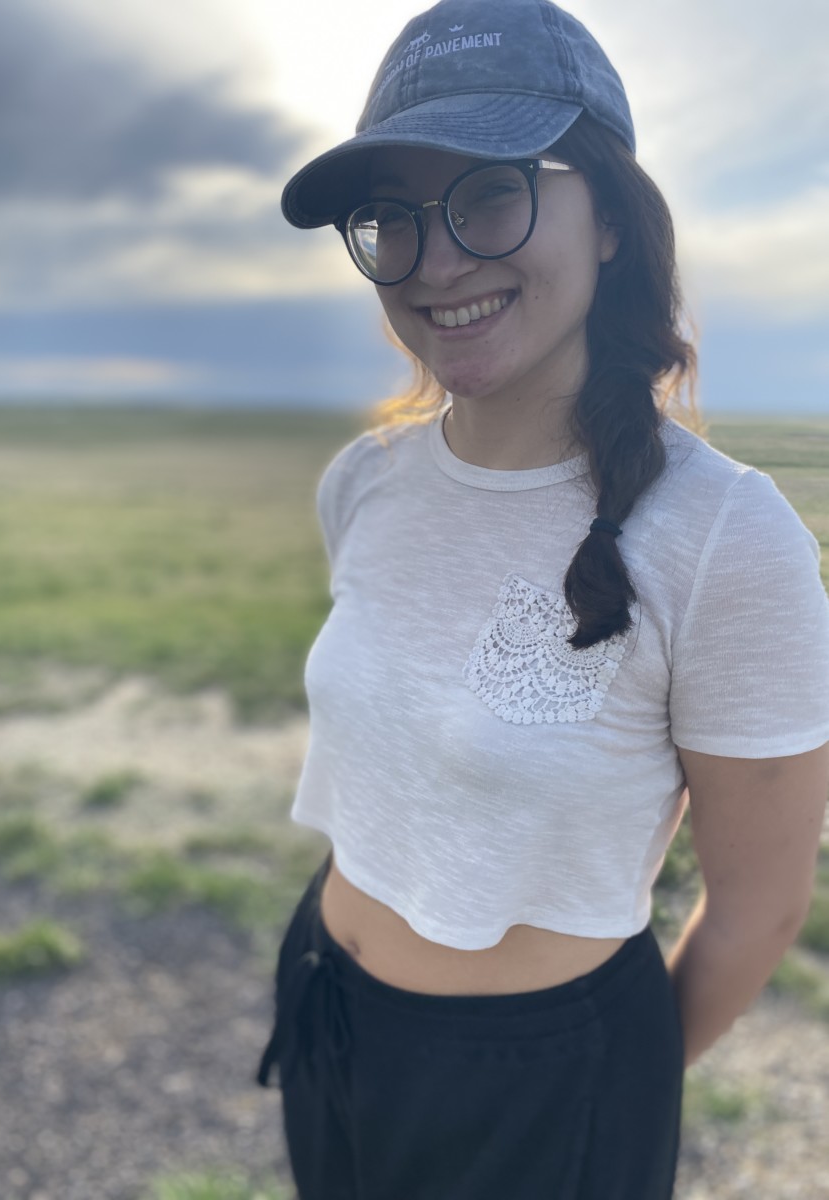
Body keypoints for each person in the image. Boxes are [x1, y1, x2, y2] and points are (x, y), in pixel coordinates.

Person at [254, 1, 829, 1197]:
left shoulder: (726, 536)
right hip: (328, 1003)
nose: (438, 260)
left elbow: (762, 906)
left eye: (491, 194)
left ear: (611, 216)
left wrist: (604, 1100)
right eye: (391, 221)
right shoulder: (364, 480)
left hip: (548, 1084)